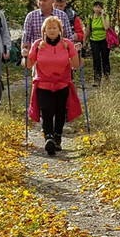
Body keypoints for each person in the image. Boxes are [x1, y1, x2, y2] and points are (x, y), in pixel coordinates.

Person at [27, 15, 81, 155]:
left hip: (62, 83)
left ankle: (57, 137)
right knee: (46, 111)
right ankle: (49, 137)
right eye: (49, 28)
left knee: (60, 111)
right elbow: (29, 64)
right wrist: (25, 55)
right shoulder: (38, 44)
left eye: (54, 28)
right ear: (44, 30)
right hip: (43, 84)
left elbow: (75, 64)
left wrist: (75, 55)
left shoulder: (67, 44)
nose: (51, 30)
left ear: (60, 30)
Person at [21, 0, 73, 64]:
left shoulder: (62, 15)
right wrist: (25, 52)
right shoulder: (31, 16)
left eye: (44, 1)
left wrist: (71, 54)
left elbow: (68, 36)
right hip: (38, 58)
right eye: (40, 0)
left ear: (52, 1)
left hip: (60, 57)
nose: (41, 3)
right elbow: (26, 37)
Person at [86, 1, 112, 85]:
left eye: (99, 7)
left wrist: (102, 16)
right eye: (95, 7)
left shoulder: (106, 16)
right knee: (96, 59)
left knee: (105, 58)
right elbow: (88, 29)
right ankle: (97, 79)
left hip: (104, 40)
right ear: (93, 8)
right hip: (94, 40)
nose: (97, 9)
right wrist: (84, 40)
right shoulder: (90, 17)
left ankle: (107, 76)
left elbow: (106, 27)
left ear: (102, 8)